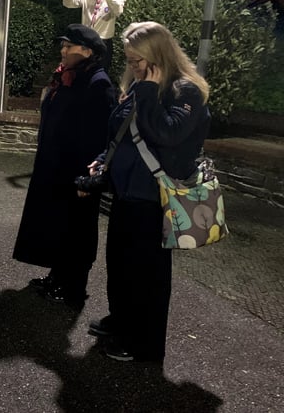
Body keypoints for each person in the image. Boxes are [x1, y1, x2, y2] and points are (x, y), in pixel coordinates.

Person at [86, 21, 211, 362]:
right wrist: (103, 161)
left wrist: (144, 92)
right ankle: (121, 321)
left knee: (147, 275)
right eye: (129, 60)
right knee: (120, 264)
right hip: (128, 193)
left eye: (138, 60)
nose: (133, 66)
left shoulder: (185, 91)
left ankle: (143, 341)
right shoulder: (141, 85)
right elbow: (122, 133)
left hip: (155, 198)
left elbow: (168, 134)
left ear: (159, 55)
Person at [12, 24, 116, 309]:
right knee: (58, 225)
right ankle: (56, 276)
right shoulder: (67, 78)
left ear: (87, 51)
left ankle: (73, 287)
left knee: (77, 230)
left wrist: (87, 178)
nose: (63, 51)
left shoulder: (98, 83)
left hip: (77, 174)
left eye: (69, 46)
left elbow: (98, 139)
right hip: (56, 169)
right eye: (63, 46)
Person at [62, 0, 126, 72]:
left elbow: (118, 11)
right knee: (79, 76)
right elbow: (67, 3)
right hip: (84, 42)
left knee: (98, 77)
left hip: (103, 43)